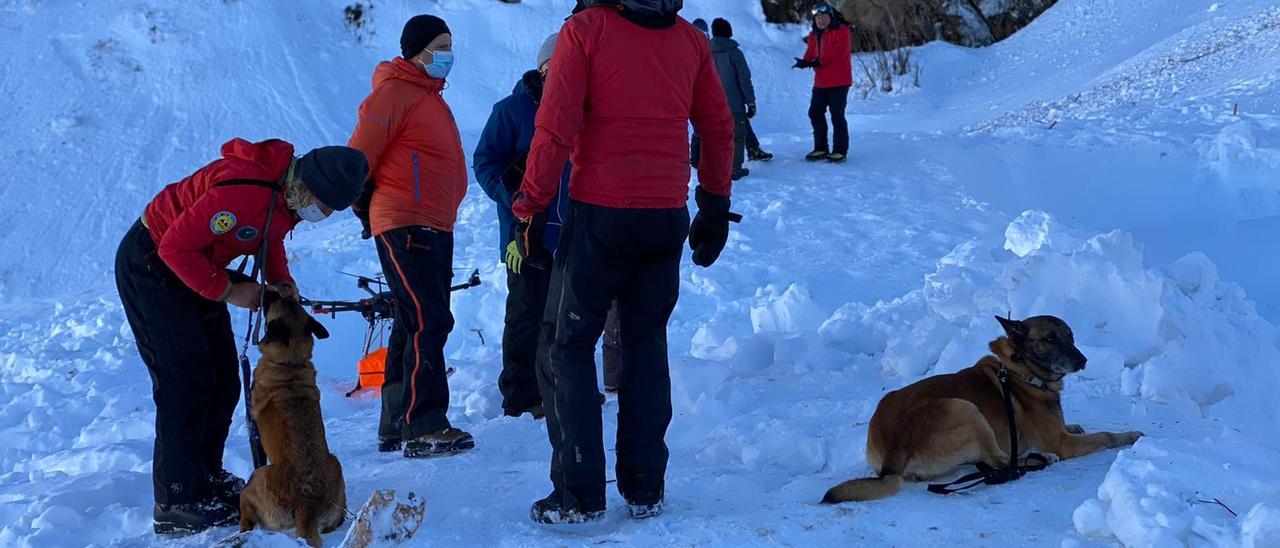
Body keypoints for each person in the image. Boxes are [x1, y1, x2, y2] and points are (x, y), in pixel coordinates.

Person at [512, 0, 736, 524]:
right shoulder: (689, 39)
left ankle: (578, 493)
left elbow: (555, 126)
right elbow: (719, 125)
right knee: (645, 343)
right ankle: (644, 488)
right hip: (665, 215)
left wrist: (529, 206)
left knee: (568, 345)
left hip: (601, 214)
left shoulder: (586, 29)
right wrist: (715, 206)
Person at [115, 138, 368, 535]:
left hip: (201, 264)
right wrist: (230, 291)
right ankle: (177, 499)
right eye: (323, 204)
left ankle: (206, 476)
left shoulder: (283, 200)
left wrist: (280, 280)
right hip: (154, 265)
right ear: (307, 185)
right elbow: (174, 249)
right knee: (185, 380)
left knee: (221, 377)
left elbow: (270, 237)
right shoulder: (243, 193)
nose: (321, 214)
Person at [347, 14, 473, 459]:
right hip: (406, 220)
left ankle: (396, 422)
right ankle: (424, 423)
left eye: (449, 46)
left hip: (434, 222)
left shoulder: (429, 97)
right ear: (416, 51)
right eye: (440, 46)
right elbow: (358, 157)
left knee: (410, 318)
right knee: (428, 318)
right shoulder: (394, 93)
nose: (447, 55)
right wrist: (367, 209)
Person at [473, 33, 573, 419]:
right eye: (554, 66)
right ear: (541, 68)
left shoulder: (582, 108)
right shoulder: (512, 110)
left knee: (568, 317)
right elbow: (485, 162)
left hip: (572, 233)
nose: (561, 73)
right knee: (525, 317)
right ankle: (520, 395)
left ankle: (562, 387)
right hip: (526, 235)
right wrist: (512, 196)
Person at [793, 1, 853, 163]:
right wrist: (805, 62)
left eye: (824, 17)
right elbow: (811, 52)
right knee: (815, 112)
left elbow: (838, 52)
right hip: (821, 82)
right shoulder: (814, 35)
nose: (821, 20)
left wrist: (818, 61)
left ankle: (840, 150)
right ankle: (821, 148)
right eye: (818, 18)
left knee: (837, 114)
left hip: (839, 81)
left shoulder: (842, 30)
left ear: (830, 17)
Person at [710, 18, 756, 181]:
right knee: (737, 136)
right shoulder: (735, 53)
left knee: (716, 137)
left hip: (712, 105)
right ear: (729, 32)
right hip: (734, 105)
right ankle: (735, 168)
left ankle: (717, 167)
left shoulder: (705, 52)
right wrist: (750, 102)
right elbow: (744, 80)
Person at [688, 17, 710, 169]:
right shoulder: (688, 49)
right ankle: (696, 159)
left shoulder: (710, 50)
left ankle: (698, 158)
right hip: (693, 94)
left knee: (705, 127)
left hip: (705, 94)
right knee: (699, 128)